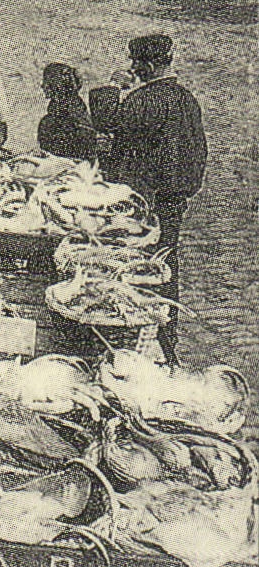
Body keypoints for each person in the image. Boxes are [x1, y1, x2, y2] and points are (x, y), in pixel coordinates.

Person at [97, 34, 206, 358]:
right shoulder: (186, 99)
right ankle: (166, 334)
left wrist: (113, 86)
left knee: (141, 266)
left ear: (145, 65)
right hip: (174, 199)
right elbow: (197, 151)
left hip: (149, 201)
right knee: (166, 266)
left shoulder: (146, 100)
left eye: (136, 63)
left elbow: (107, 121)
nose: (133, 68)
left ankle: (141, 339)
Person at [37, 62, 97, 161]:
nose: (42, 86)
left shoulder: (64, 118)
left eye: (46, 81)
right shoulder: (75, 109)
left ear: (56, 85)